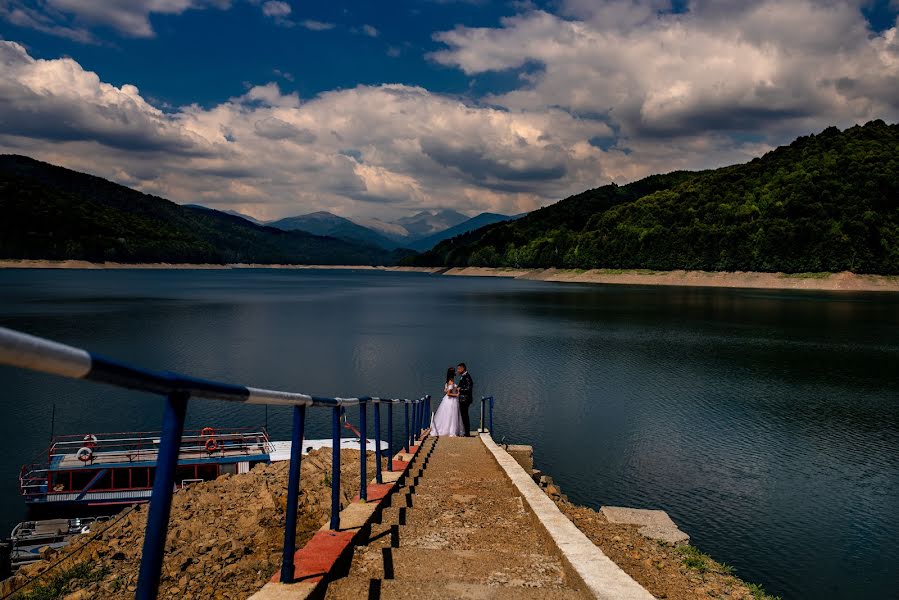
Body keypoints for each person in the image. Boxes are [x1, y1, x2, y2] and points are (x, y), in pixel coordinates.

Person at [430, 367, 465, 437]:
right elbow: (448, 393)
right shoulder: (451, 382)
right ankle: (451, 431)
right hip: (451, 400)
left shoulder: (448, 381)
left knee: (448, 415)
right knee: (451, 416)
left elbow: (445, 390)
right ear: (452, 373)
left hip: (448, 400)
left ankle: (448, 429)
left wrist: (456, 389)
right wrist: (457, 394)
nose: (456, 373)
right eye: (454, 372)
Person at [456, 363, 473, 437]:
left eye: (459, 369)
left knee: (465, 416)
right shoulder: (463, 376)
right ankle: (465, 432)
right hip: (463, 399)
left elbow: (469, 388)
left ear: (463, 369)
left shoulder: (467, 377)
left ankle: (467, 433)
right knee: (463, 416)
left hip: (465, 399)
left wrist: (460, 389)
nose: (458, 370)